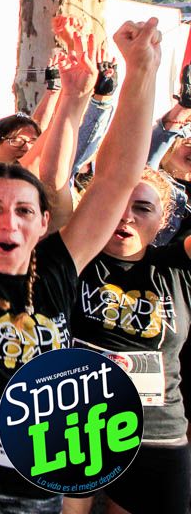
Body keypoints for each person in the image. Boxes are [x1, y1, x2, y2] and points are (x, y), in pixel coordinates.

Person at [0, 21, 160, 513]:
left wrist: (140, 73)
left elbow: (114, 180)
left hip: (36, 487)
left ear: (44, 220)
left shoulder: (61, 266)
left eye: (24, 210)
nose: (9, 222)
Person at [63, 167, 191, 514]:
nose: (126, 216)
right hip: (76, 425)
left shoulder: (177, 269)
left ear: (163, 220)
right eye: (117, 202)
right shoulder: (71, 257)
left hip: (157, 433)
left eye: (143, 208)